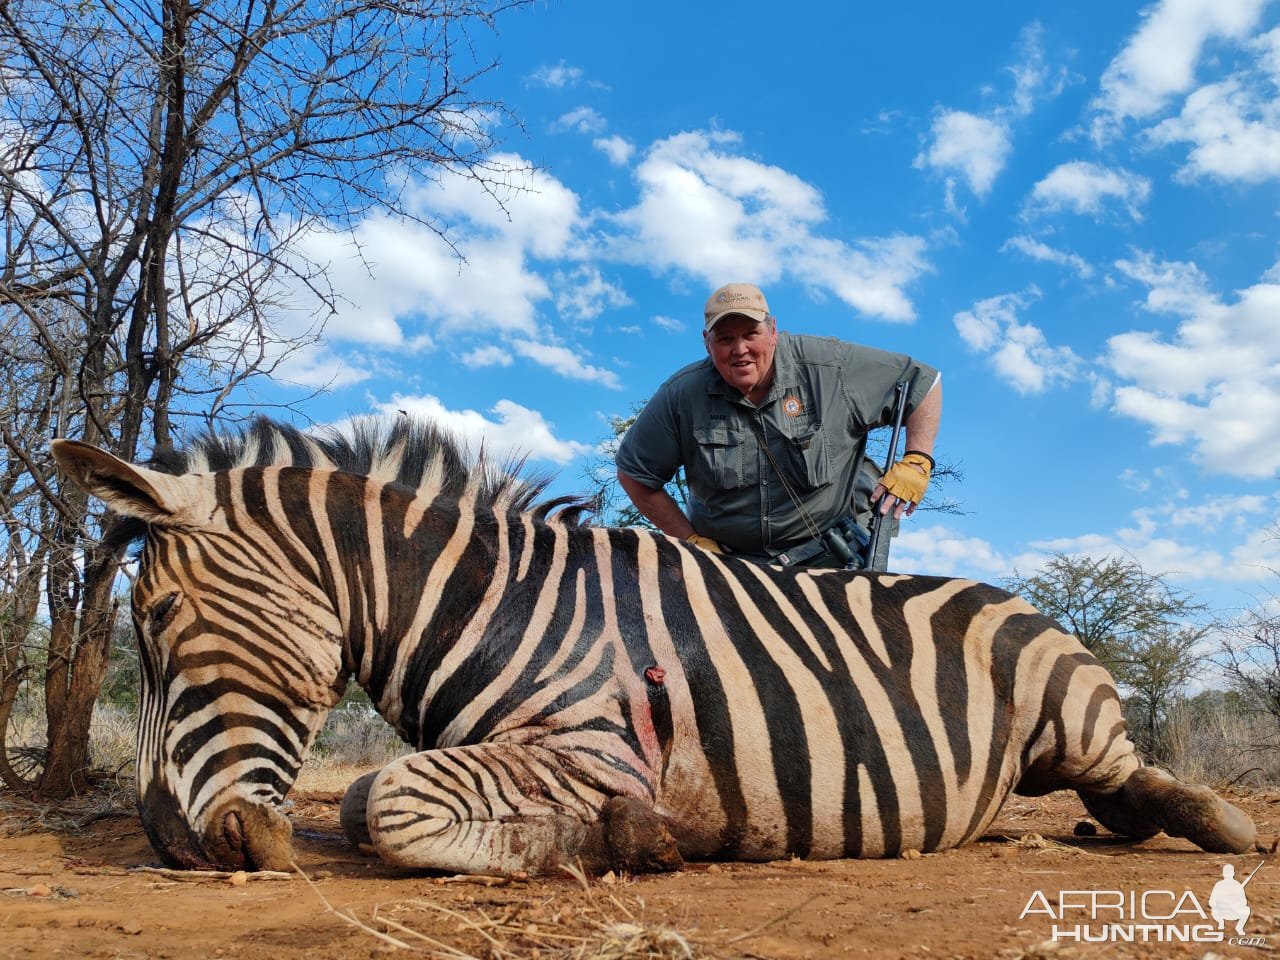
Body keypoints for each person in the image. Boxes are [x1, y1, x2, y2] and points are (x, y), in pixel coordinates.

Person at [615, 282, 941, 569]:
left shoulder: (829, 364)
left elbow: (923, 383)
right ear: (707, 342)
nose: (740, 350)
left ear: (773, 331)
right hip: (733, 569)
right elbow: (634, 474)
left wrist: (918, 460)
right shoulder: (681, 394)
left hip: (833, 556)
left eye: (750, 334)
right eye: (725, 339)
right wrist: (690, 540)